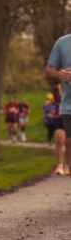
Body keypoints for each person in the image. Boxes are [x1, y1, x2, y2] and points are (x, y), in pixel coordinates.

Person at [46, 35, 71, 174]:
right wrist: (59, 74)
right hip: (68, 107)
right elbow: (49, 68)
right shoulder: (62, 42)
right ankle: (62, 165)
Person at [42, 91, 66, 174]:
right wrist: (51, 102)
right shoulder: (57, 87)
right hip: (59, 117)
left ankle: (67, 165)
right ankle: (60, 165)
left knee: (69, 142)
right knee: (59, 139)